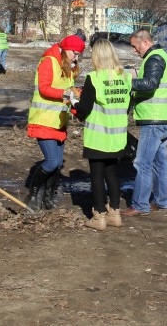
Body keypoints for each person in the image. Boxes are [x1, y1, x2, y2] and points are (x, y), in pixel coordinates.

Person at [71, 39, 132, 230]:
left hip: (98, 135)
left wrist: (73, 102)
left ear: (97, 56)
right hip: (118, 135)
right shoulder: (125, 77)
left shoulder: (94, 78)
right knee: (112, 173)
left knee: (97, 175)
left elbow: (84, 110)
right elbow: (128, 105)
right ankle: (114, 213)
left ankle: (99, 216)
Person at [24, 34, 85, 211]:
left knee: (57, 164)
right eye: (75, 53)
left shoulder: (69, 66)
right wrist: (67, 94)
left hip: (59, 122)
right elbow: (44, 88)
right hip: (43, 120)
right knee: (52, 161)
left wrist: (79, 110)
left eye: (79, 54)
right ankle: (33, 195)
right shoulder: (48, 61)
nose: (76, 57)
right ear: (66, 49)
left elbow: (69, 95)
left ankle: (48, 197)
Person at [121, 29, 167, 217]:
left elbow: (150, 83)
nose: (135, 51)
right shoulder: (162, 57)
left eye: (135, 47)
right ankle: (161, 201)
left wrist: (127, 82)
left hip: (154, 120)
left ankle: (139, 204)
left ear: (144, 42)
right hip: (164, 118)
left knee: (142, 163)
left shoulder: (154, 58)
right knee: (159, 163)